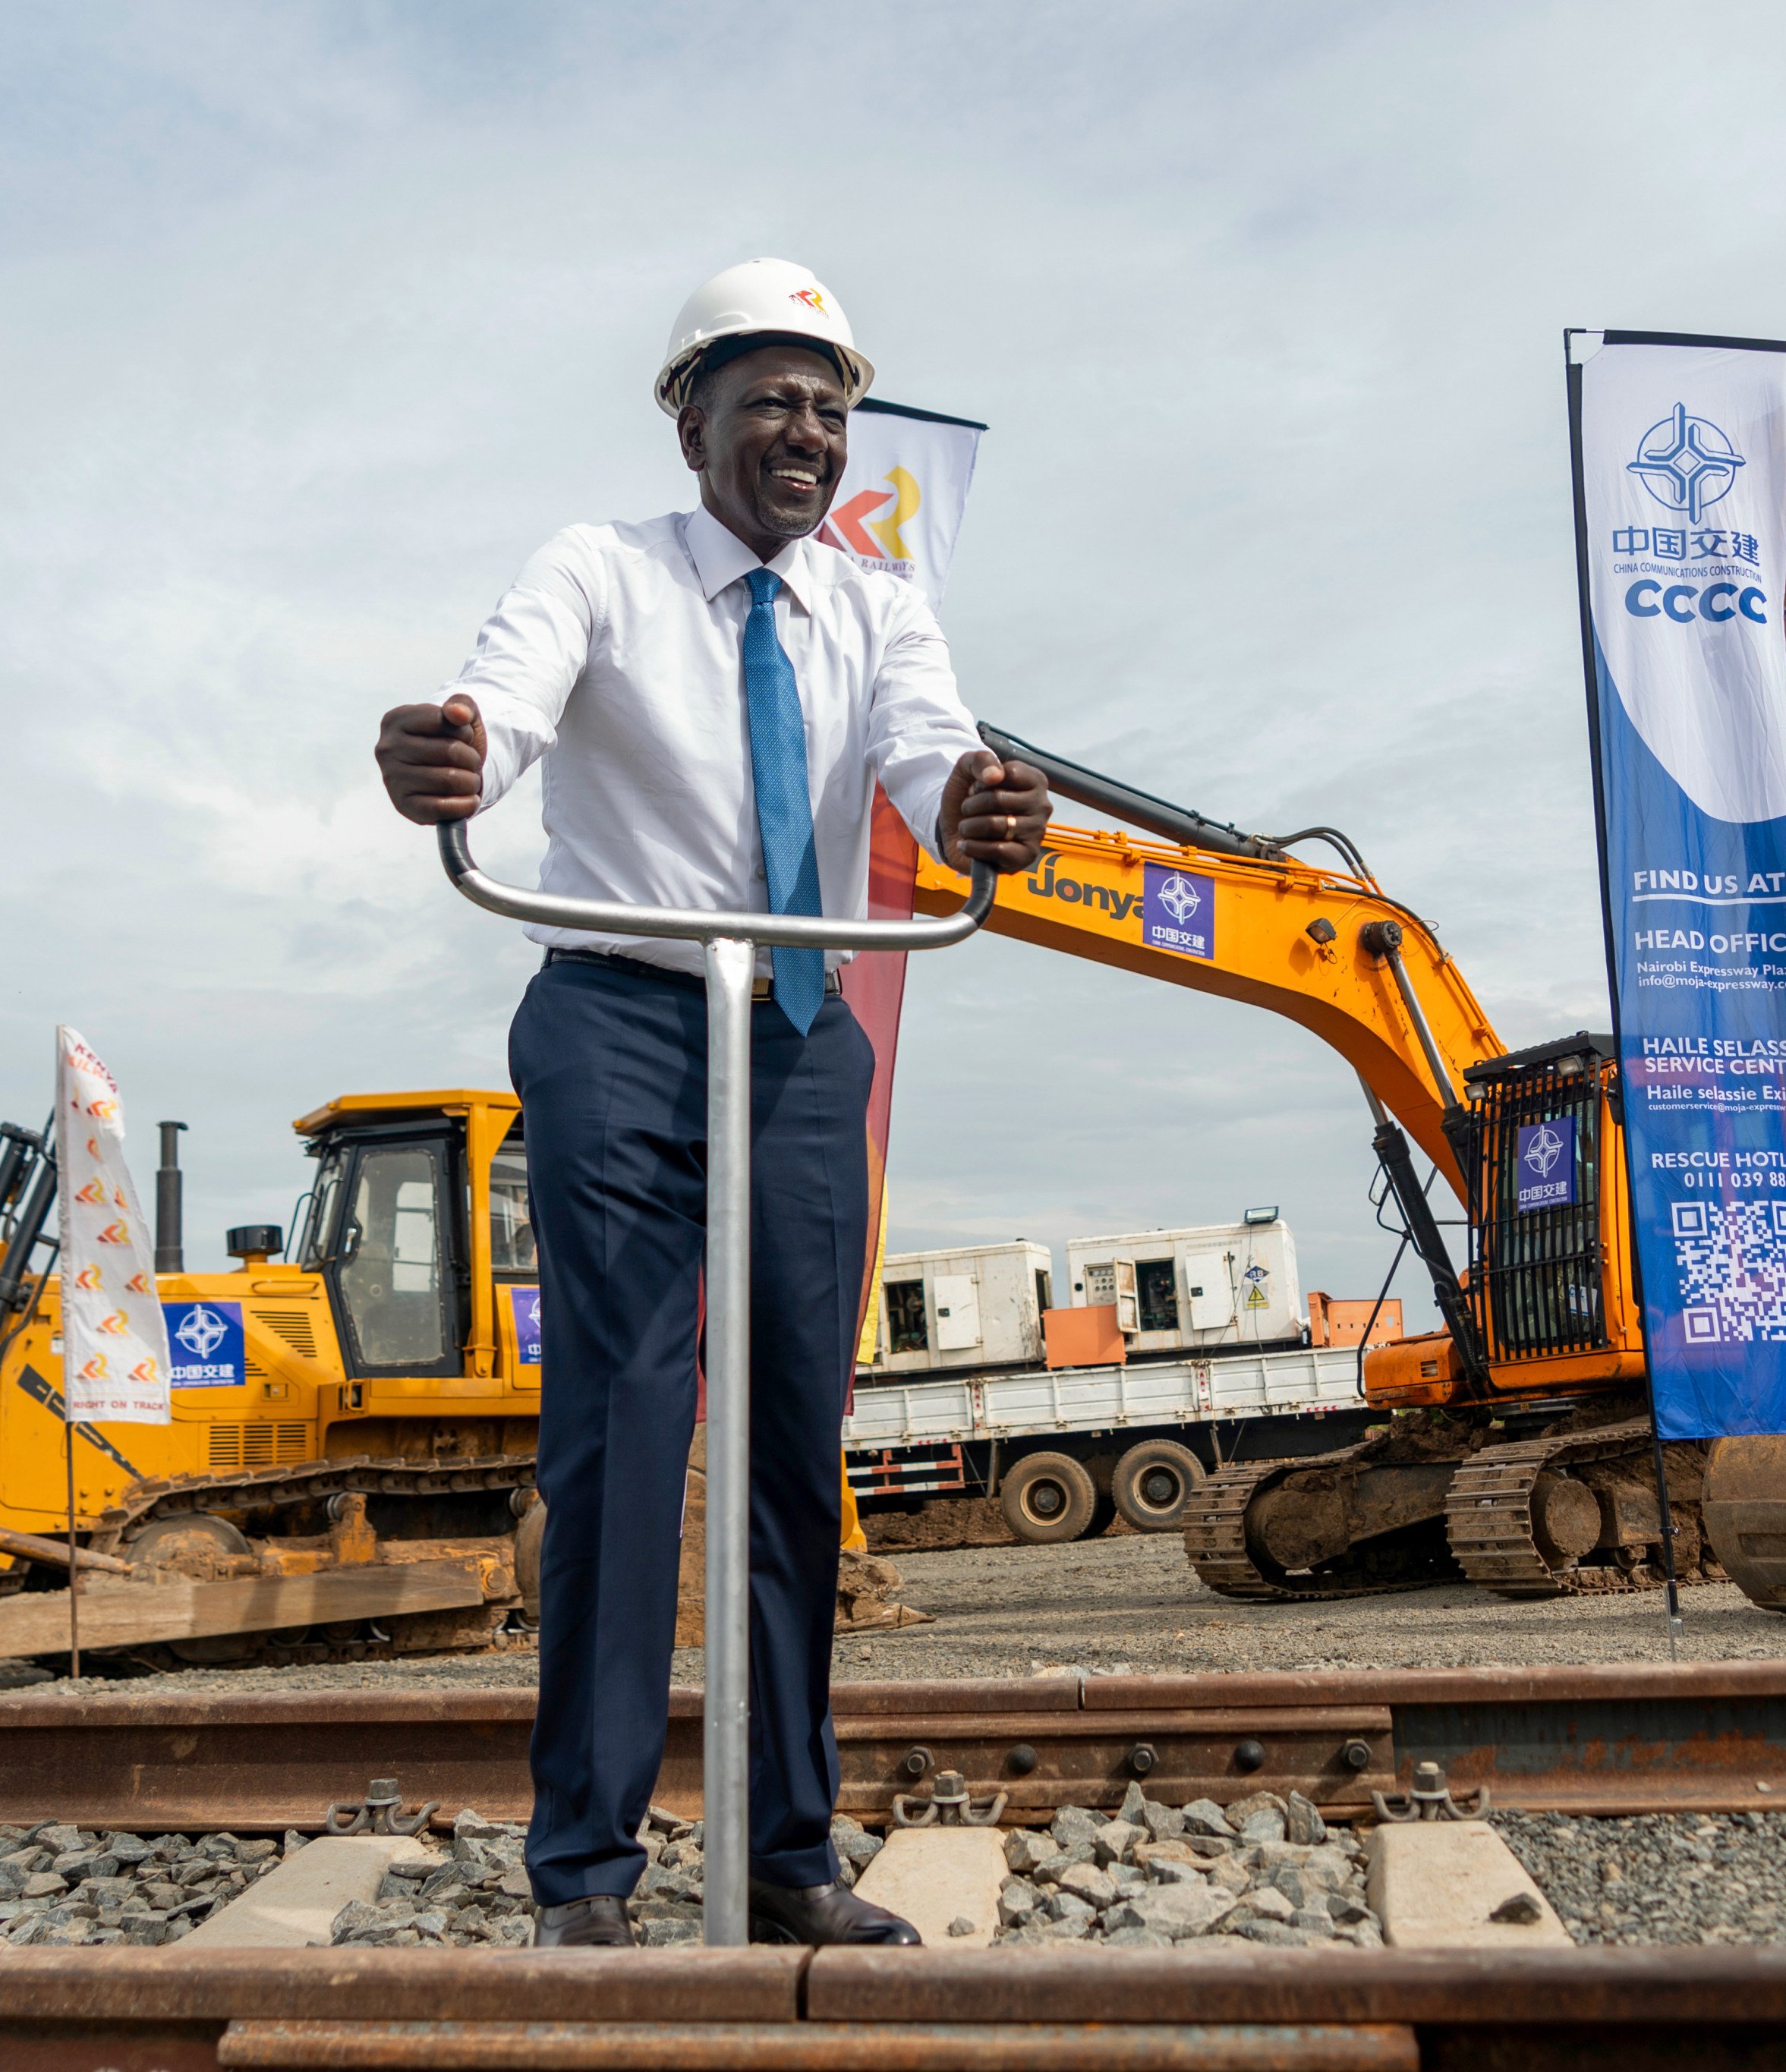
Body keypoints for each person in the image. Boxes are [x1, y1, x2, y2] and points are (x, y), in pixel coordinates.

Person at [373, 258, 1050, 1948]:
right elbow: (507, 703)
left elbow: (920, 749)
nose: (803, 433)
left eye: (827, 409)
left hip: (801, 1032)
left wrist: (971, 805)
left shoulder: (879, 607)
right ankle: (584, 1873)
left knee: (787, 1449)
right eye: (767, 401)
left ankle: (781, 1849)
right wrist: (457, 751)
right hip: (621, 1017)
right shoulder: (596, 568)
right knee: (623, 1426)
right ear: (691, 422)